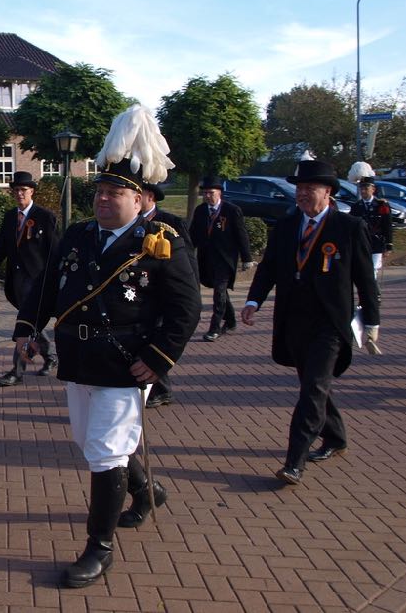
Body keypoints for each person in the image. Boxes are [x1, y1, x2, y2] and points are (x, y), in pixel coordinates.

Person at [14, 105, 201, 588]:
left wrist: (159, 359)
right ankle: (146, 490)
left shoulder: (160, 241)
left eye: (115, 192)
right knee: (89, 442)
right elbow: (48, 286)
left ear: (139, 200)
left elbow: (185, 309)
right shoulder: (77, 235)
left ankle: (99, 548)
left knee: (102, 450)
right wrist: (27, 327)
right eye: (100, 191)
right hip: (78, 358)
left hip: (126, 363)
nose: (103, 199)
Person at [242, 160, 379, 486]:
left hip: (330, 324)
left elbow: (366, 280)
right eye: (299, 188)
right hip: (294, 321)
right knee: (313, 385)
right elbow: (269, 268)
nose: (302, 194)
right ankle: (335, 437)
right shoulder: (288, 225)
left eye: (309, 189)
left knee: (313, 389)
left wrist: (372, 321)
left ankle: (294, 461)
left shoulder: (349, 228)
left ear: (328, 192)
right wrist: (252, 301)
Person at [0, 171, 59, 385]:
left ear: (32, 191)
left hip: (37, 280)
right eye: (16, 190)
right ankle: (50, 357)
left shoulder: (45, 216)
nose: (19, 194)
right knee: (31, 323)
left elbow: (55, 251)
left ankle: (17, 371)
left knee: (25, 322)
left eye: (24, 190)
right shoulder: (10, 216)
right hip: (16, 280)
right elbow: (1, 247)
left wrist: (52, 279)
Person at [140, 182, 195, 409]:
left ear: (150, 196)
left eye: (138, 193)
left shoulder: (171, 224)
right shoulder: (129, 224)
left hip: (165, 295)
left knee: (157, 338)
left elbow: (188, 263)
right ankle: (160, 389)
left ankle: (158, 388)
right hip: (141, 297)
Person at [189, 176, 252, 341]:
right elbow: (194, 234)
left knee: (219, 292)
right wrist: (187, 252)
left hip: (225, 259)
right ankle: (230, 321)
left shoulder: (232, 211)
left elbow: (241, 235)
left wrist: (247, 258)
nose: (207, 196)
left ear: (220, 193)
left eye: (211, 193)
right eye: (205, 193)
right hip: (207, 258)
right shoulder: (201, 211)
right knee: (220, 291)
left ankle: (214, 327)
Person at [346, 163, 392, 286]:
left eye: (366, 188)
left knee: (373, 270)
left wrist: (388, 246)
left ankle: (374, 295)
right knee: (363, 270)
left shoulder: (382, 205)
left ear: (373, 189)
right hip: (361, 242)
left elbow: (387, 225)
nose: (363, 191)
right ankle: (370, 295)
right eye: (361, 188)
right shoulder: (356, 207)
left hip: (376, 243)